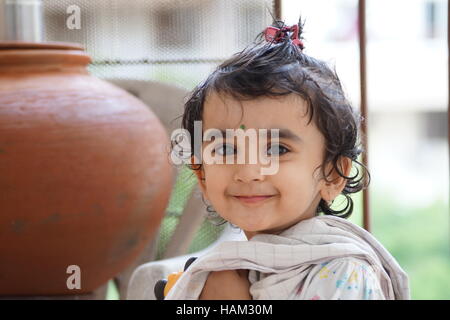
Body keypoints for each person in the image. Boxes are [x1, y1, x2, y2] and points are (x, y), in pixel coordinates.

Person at [165, 17, 410, 300]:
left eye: (277, 150)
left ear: (332, 175)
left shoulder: (343, 274)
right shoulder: (224, 269)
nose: (248, 171)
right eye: (226, 150)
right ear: (202, 175)